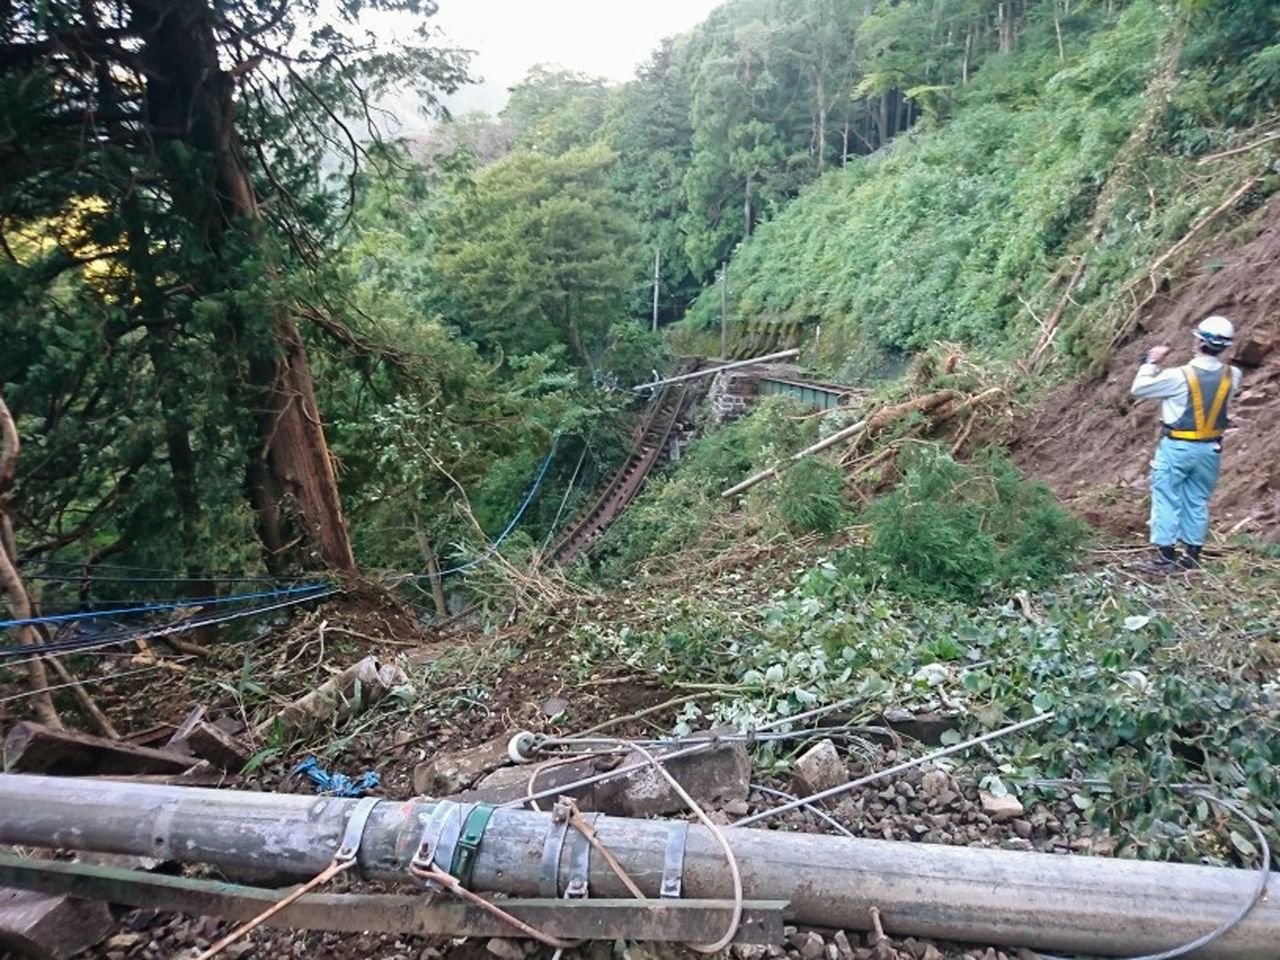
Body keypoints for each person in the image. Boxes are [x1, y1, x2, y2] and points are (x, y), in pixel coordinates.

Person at [1130, 315, 1241, 571]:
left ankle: (1165, 556)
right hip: (1210, 449)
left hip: (1177, 446)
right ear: (1224, 346)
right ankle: (1192, 556)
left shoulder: (1179, 375)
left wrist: (1151, 362)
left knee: (1166, 497)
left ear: (1199, 342)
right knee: (1197, 499)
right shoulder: (1233, 375)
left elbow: (1139, 388)